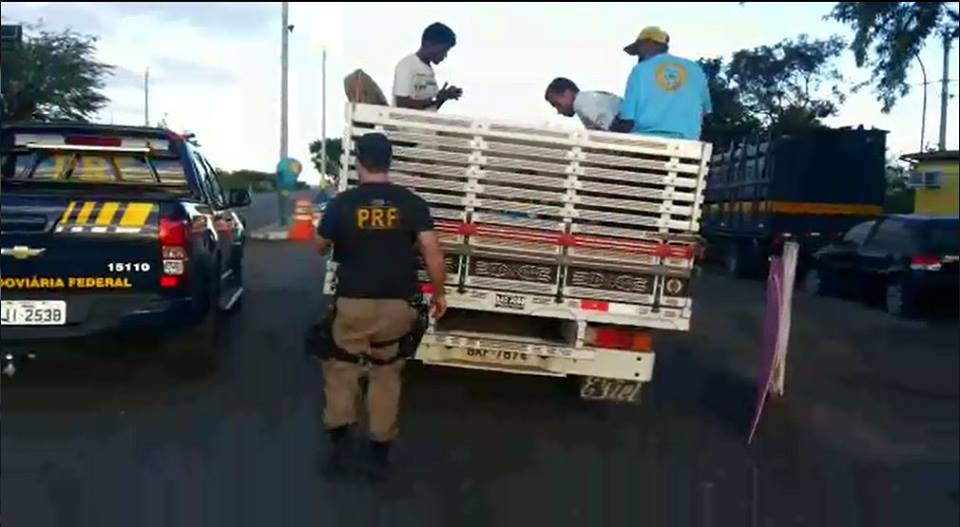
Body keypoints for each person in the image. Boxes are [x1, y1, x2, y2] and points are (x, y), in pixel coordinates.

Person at [315, 133, 448, 480]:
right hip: (397, 305)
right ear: (389, 161)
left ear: (359, 161)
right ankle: (379, 451)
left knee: (342, 369)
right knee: (386, 371)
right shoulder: (412, 203)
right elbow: (432, 253)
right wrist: (439, 294)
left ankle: (342, 447)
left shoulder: (342, 203)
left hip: (353, 303)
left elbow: (318, 246)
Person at [614, 26, 712, 139]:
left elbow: (627, 120)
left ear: (648, 44)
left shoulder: (640, 70)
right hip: (687, 145)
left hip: (646, 142)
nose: (638, 57)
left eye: (638, 51)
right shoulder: (695, 69)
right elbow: (707, 112)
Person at [393, 22, 463, 111]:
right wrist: (437, 97)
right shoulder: (406, 65)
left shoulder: (429, 71)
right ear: (428, 44)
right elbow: (402, 103)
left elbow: (430, 108)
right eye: (443, 50)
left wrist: (444, 97)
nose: (444, 56)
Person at [544, 77, 624, 131]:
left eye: (557, 104)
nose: (559, 111)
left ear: (566, 94)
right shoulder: (588, 99)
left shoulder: (582, 105)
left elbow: (608, 135)